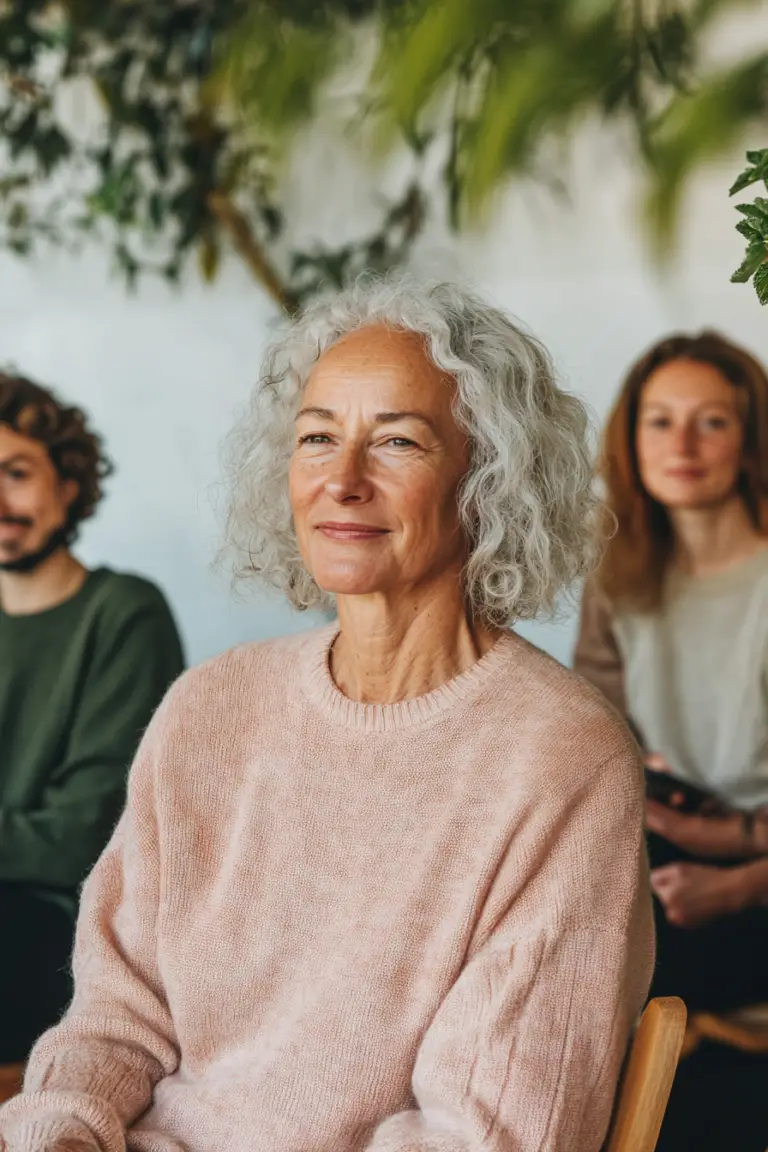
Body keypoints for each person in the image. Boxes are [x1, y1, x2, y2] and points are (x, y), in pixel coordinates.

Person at [0, 278, 653, 1152]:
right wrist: (60, 1136)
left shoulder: (562, 758)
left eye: (397, 441)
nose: (342, 481)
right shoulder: (211, 707)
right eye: (317, 439)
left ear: (489, 478)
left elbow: (482, 1133)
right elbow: (114, 1022)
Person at [574, 330, 768, 1151]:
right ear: (630, 436)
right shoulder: (618, 573)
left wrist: (740, 882)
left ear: (750, 438)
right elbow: (590, 738)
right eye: (660, 421)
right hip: (664, 842)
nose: (681, 445)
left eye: (711, 422)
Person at [0, 371, 185, 1064]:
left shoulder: (123, 614)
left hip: (63, 930)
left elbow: (86, 835)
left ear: (68, 484)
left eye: (15, 473)